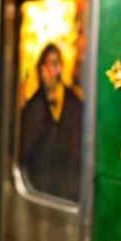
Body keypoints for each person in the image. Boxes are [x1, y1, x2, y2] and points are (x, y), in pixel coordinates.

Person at [20, 42, 83, 201]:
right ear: (41, 70)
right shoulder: (32, 109)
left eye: (57, 64)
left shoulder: (75, 106)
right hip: (39, 193)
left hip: (70, 194)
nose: (54, 70)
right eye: (50, 64)